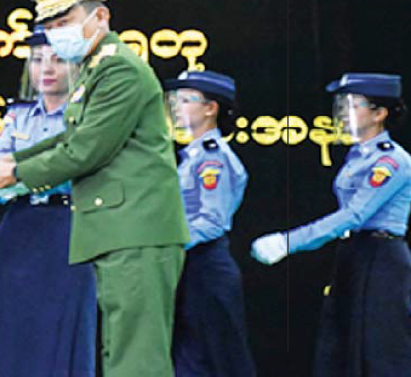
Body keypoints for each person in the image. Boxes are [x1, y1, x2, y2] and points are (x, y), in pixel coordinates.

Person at [0, 0, 190, 377]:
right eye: (51, 26)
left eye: (65, 22)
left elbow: (85, 150)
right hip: (117, 230)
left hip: (135, 229)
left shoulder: (119, 70)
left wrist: (16, 172)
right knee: (118, 353)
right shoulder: (93, 69)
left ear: (100, 16)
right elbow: (70, 138)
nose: (58, 34)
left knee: (136, 359)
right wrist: (9, 161)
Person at [252, 72, 411, 375]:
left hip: (381, 259)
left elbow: (354, 214)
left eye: (352, 105)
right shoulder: (357, 155)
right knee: (340, 346)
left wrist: (289, 241)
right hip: (353, 253)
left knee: (380, 350)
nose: (342, 113)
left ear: (379, 113)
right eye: (340, 105)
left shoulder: (391, 161)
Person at [0, 26, 96, 377]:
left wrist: (17, 174)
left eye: (57, 60)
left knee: (62, 333)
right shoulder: (16, 116)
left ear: (76, 66)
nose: (46, 68)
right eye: (37, 60)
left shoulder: (90, 117)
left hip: (69, 228)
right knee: (13, 332)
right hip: (19, 229)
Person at [163, 70, 256, 377]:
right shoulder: (190, 156)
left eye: (186, 100)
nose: (176, 108)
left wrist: (165, 243)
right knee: (189, 358)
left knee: (218, 359)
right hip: (188, 264)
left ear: (210, 108)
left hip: (206, 265)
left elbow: (211, 221)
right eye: (175, 100)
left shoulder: (213, 159)